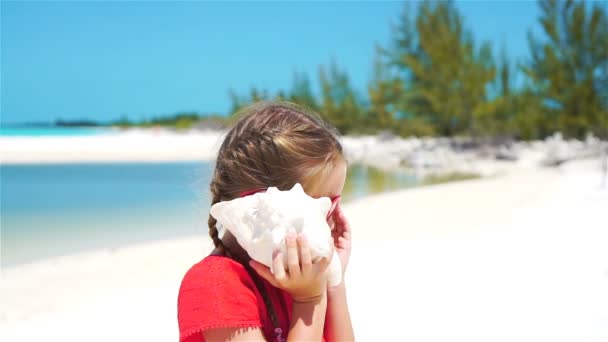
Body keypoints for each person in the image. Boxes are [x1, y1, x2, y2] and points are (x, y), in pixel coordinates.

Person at [177, 102, 355, 342]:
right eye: (324, 206)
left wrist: (333, 281)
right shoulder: (216, 284)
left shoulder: (300, 279)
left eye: (334, 204)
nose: (330, 220)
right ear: (260, 204)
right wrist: (310, 302)